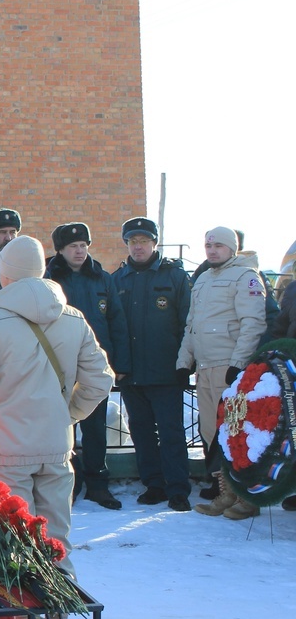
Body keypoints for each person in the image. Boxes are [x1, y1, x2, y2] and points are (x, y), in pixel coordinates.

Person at [0, 236, 114, 578]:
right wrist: (67, 415)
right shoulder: (73, 318)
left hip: (5, 446)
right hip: (55, 445)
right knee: (56, 542)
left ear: (5, 275)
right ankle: (61, 608)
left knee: (13, 543)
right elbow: (100, 380)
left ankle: (22, 611)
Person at [177, 227, 268, 519]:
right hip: (205, 367)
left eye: (218, 245)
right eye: (208, 246)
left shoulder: (245, 277)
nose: (212, 250)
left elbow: (253, 323)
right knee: (211, 433)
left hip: (228, 368)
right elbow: (192, 325)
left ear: (232, 248)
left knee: (235, 433)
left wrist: (238, 363)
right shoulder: (203, 278)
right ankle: (225, 492)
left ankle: (246, 498)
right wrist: (184, 362)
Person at [46, 222, 130, 510]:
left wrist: (119, 363)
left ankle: (98, 484)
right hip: (59, 365)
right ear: (61, 250)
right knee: (62, 426)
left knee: (95, 427)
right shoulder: (49, 279)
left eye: (83, 245)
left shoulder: (102, 279)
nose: (79, 251)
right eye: (73, 246)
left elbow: (116, 322)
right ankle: (66, 483)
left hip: (94, 364)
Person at [112, 217, 193, 512]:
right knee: (142, 432)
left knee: (172, 432)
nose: (138, 247)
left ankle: (178, 488)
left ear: (154, 243)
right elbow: (113, 326)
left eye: (143, 241)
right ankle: (154, 485)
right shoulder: (117, 280)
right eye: (133, 241)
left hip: (166, 371)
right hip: (131, 373)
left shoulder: (175, 277)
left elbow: (188, 323)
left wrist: (185, 363)